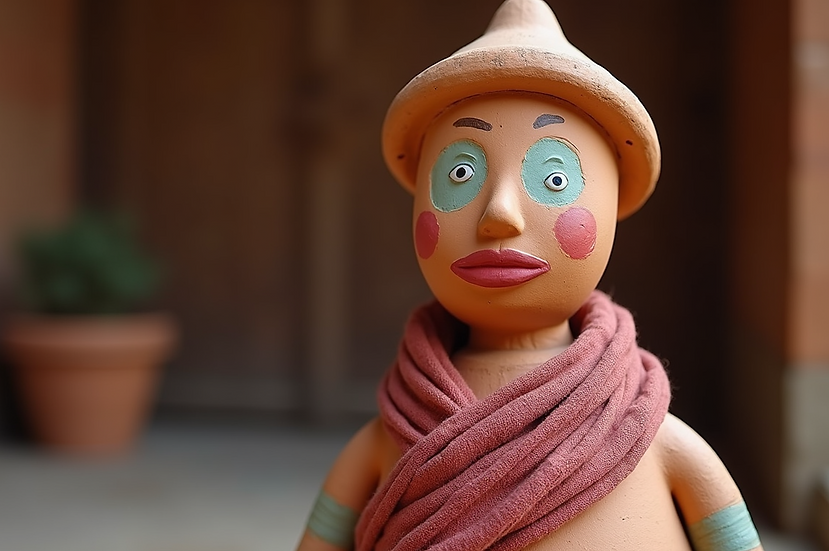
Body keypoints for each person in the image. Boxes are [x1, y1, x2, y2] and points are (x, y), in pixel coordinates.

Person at [296, 1, 763, 550]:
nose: (499, 214)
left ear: (612, 208)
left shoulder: (648, 433)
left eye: (555, 176)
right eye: (460, 174)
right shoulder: (391, 432)